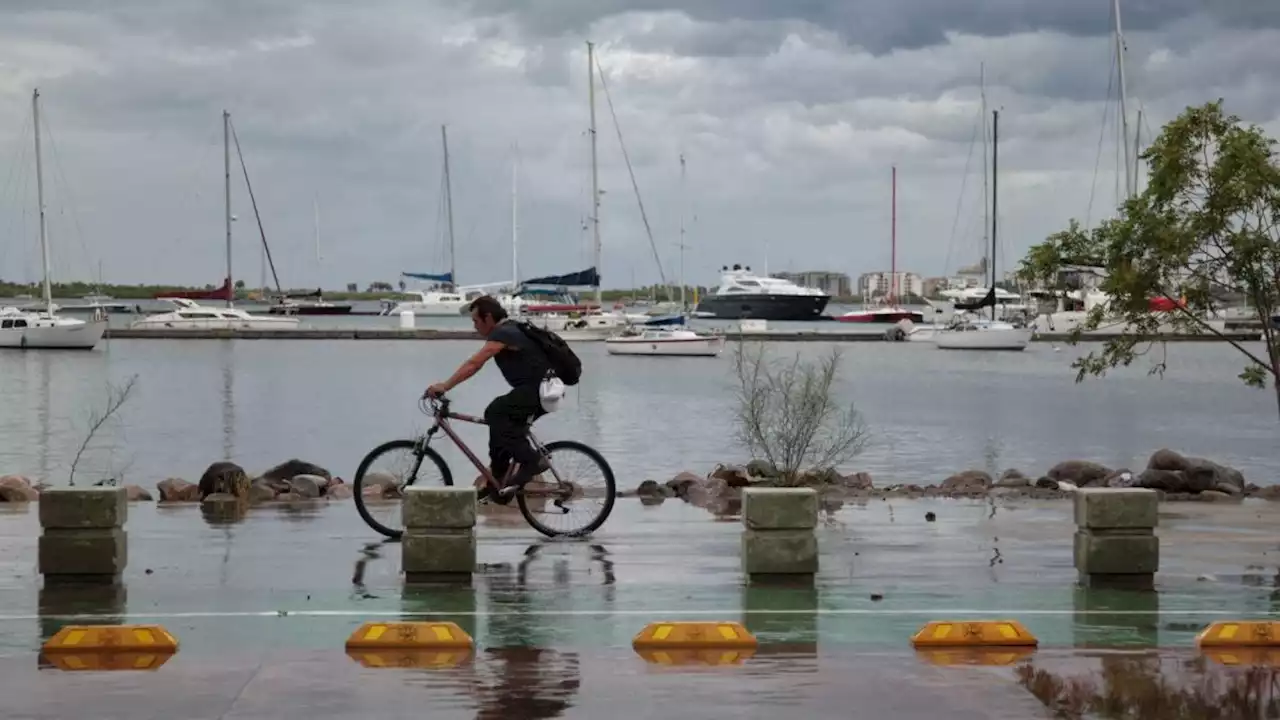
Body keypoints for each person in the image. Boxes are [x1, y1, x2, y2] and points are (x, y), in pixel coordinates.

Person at [425, 295, 551, 502]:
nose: (474, 326)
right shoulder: (510, 329)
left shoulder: (504, 333)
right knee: (499, 424)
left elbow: (474, 364)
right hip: (541, 390)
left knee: (496, 411)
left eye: (476, 321)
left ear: (489, 317)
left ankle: (533, 461)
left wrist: (445, 385)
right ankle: (497, 484)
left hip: (538, 391)